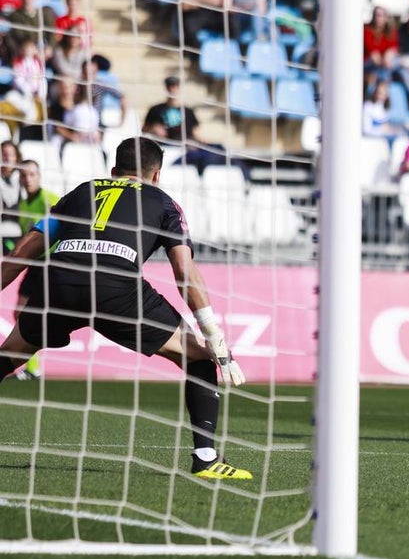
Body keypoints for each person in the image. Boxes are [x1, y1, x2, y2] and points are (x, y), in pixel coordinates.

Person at [0, 138, 251, 478]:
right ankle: (206, 459)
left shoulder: (80, 192)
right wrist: (214, 336)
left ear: (115, 171)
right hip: (115, 287)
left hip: (59, 283)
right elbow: (184, 273)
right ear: (157, 175)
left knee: (12, 353)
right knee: (197, 355)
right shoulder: (164, 202)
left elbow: (20, 255)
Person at [9, 159, 58, 380]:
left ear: (39, 176)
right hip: (35, 265)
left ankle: (32, 365)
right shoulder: (23, 205)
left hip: (52, 264)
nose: (27, 179)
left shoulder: (50, 200)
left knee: (35, 316)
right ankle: (33, 367)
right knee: (19, 312)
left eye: (31, 174)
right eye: (24, 175)